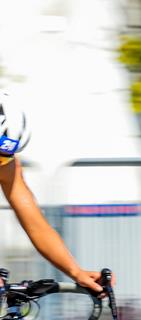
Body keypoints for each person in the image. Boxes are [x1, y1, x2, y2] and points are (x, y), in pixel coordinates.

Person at [0, 91, 106, 294]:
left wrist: (75, 271)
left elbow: (37, 226)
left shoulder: (6, 167)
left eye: (4, 156)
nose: (1, 161)